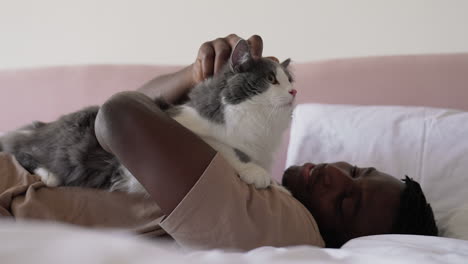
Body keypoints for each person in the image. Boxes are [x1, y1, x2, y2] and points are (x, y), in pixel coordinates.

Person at [0, 34, 437, 250]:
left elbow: (119, 119)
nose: (335, 178)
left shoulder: (283, 225)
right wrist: (196, 78)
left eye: (346, 205)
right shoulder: (260, 180)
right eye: (356, 172)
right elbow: (128, 116)